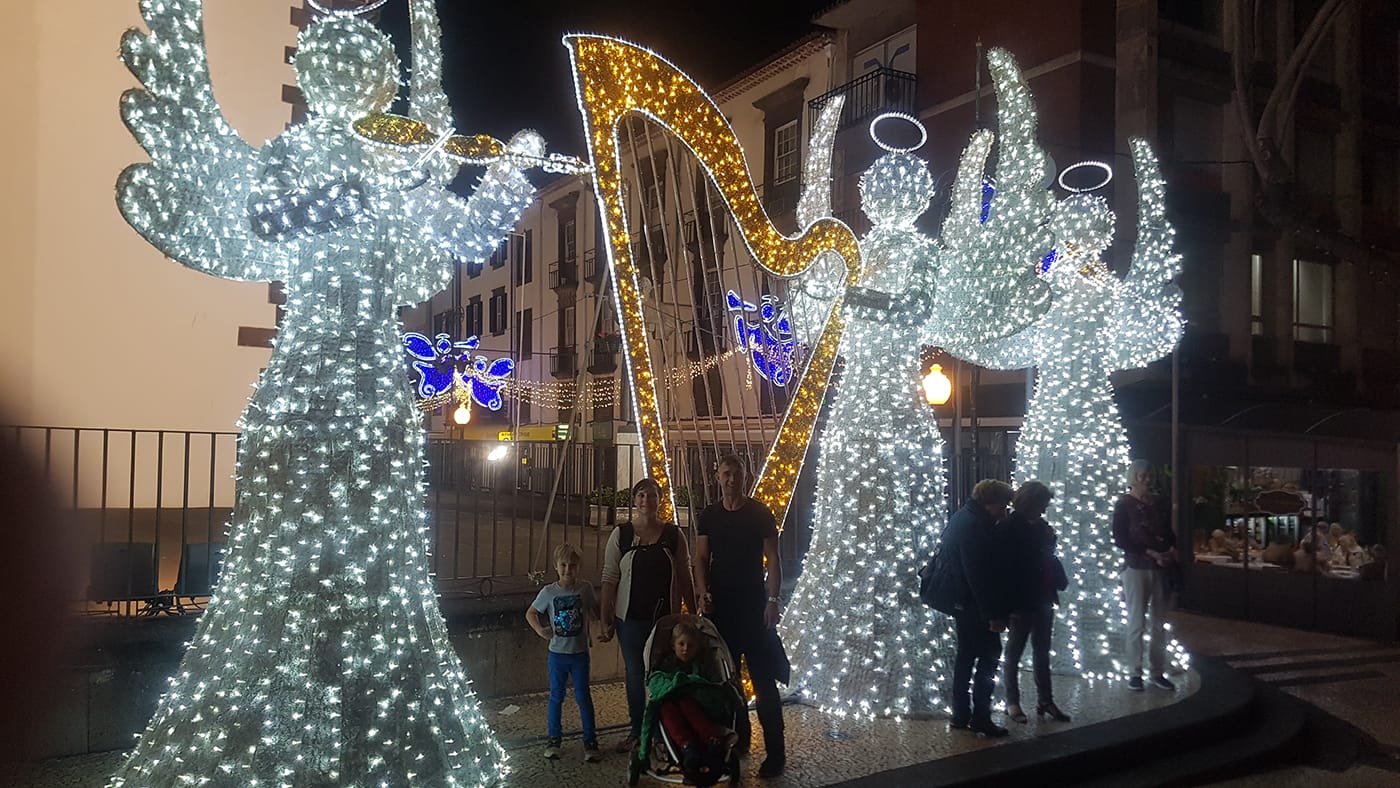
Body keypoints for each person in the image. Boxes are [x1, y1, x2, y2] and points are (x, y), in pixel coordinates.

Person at [694, 454, 787, 778]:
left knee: (764, 683)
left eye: (736, 474)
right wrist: (703, 593)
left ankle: (776, 752)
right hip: (722, 610)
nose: (731, 479)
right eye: (725, 474)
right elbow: (701, 559)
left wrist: (773, 600)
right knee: (729, 683)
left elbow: (773, 559)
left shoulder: (760, 513)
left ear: (744, 477)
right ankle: (741, 738)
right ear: (717, 477)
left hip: (754, 609)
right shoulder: (709, 516)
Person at [600, 478, 696, 754]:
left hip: (664, 620)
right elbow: (610, 577)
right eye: (641, 495)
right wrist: (606, 616)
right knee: (634, 674)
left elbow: (684, 574)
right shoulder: (622, 535)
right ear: (635, 500)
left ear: (659, 500)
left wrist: (691, 612)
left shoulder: (673, 535)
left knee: (661, 674)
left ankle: (660, 731)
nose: (646, 501)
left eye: (652, 496)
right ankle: (636, 730)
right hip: (629, 618)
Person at [942, 479, 1015, 737]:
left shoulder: (963, 517)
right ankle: (980, 716)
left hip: (963, 603)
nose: (1004, 511)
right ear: (990, 502)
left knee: (965, 658)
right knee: (989, 657)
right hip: (976, 606)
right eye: (1002, 505)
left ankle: (960, 714)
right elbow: (978, 575)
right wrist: (992, 615)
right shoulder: (976, 526)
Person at [639, 618, 742, 783]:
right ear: (673, 646)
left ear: (697, 648)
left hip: (695, 705)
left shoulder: (701, 666)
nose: (685, 649)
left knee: (688, 705)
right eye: (681, 644)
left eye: (690, 645)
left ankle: (712, 741)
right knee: (666, 709)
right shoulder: (665, 665)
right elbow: (657, 682)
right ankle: (688, 746)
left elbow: (712, 684)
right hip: (670, 703)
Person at [1001, 480, 1070, 724]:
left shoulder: (1040, 526)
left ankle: (1045, 699)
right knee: (1014, 652)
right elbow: (1010, 567)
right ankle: (1012, 701)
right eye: (1041, 505)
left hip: (1042, 595)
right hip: (1022, 598)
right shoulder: (1011, 526)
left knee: (1041, 651)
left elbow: (1047, 554)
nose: (1043, 510)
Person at [527, 543, 601, 762]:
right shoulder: (549, 592)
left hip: (579, 655)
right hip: (557, 655)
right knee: (556, 696)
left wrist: (606, 624)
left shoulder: (585, 589)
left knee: (583, 696)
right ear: (556, 567)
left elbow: (595, 610)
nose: (568, 570)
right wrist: (540, 629)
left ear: (579, 567)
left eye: (573, 565)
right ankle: (554, 738)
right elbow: (531, 613)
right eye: (563, 565)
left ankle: (590, 740)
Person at [1112, 459, 1177, 692]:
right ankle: (1135, 672)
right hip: (1137, 568)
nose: (1148, 479)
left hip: (1158, 568)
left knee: (1159, 623)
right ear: (1134, 477)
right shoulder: (1124, 505)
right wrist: (1150, 552)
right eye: (1143, 475)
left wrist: (1169, 550)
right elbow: (1120, 539)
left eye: (1150, 475)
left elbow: (1169, 532)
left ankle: (1157, 671)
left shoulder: (1158, 503)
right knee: (1137, 622)